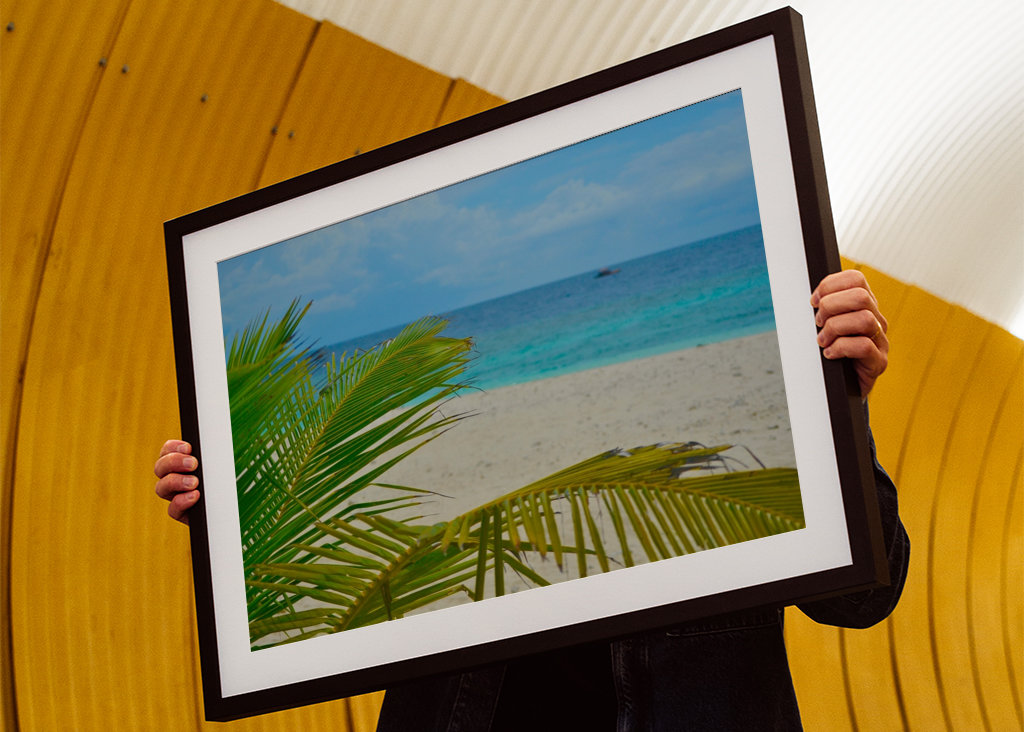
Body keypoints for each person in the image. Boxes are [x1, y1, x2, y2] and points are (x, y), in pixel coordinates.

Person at [155, 270, 909, 731]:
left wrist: (842, 403)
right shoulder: (440, 478)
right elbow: (334, 569)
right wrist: (236, 511)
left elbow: (864, 597)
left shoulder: (732, 436)